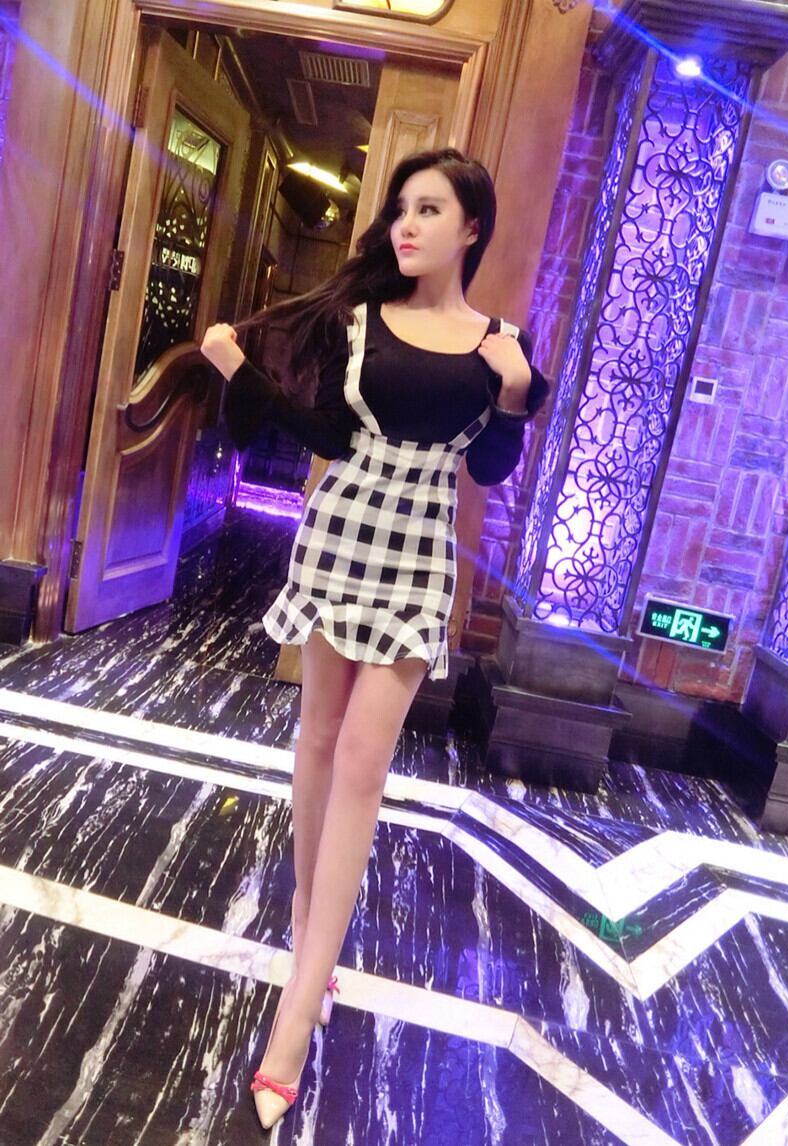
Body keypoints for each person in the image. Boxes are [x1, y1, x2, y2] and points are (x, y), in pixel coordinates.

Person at [200, 147, 548, 1131]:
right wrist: (235, 370)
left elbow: (489, 470)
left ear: (470, 227)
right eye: (401, 208)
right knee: (316, 741)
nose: (406, 225)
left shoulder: (498, 344)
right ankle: (311, 936)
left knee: (361, 762)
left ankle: (296, 1012)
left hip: (416, 557)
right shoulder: (357, 320)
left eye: (428, 209)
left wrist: (514, 393)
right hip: (339, 535)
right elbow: (325, 438)